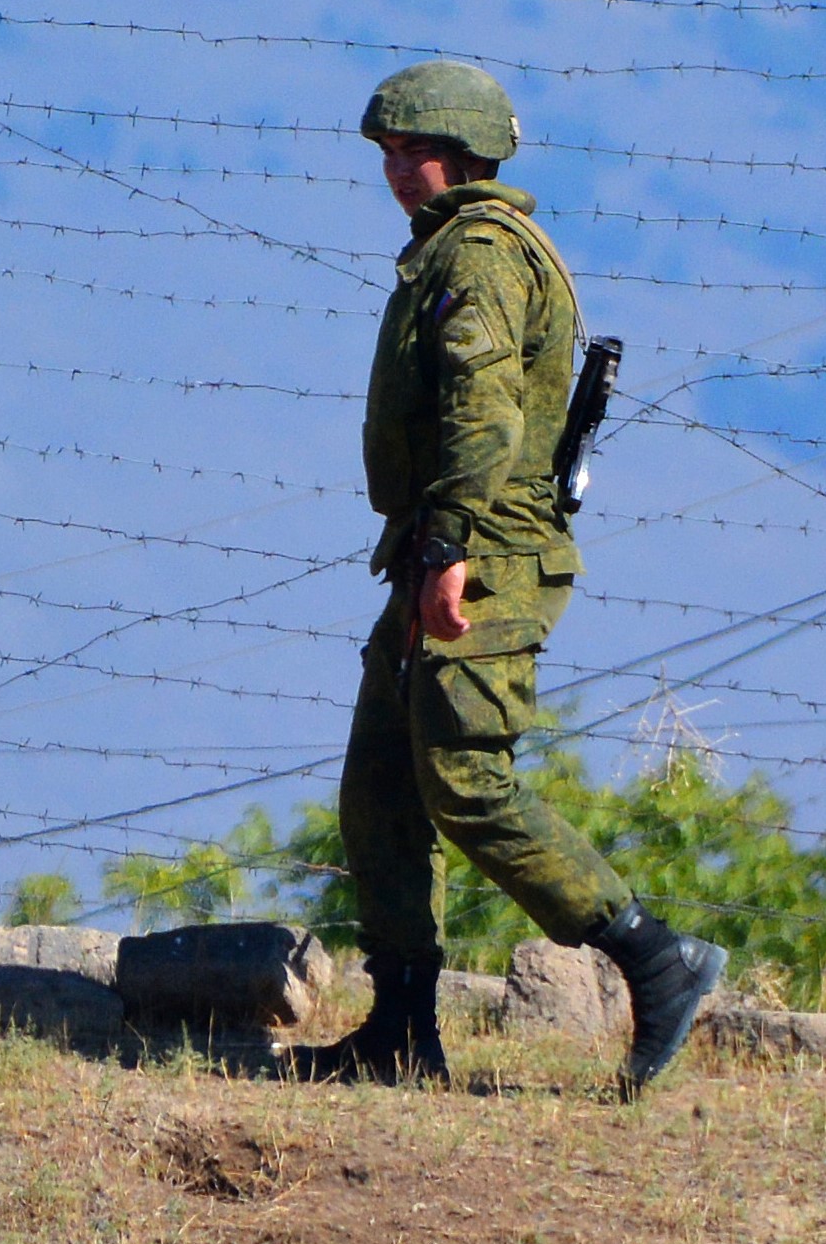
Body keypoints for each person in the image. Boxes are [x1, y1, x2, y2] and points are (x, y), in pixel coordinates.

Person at [298, 59, 726, 1095]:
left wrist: (451, 555)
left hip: (481, 557)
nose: (398, 168)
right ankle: (401, 1033)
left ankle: (654, 961)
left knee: (468, 783)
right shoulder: (453, 246)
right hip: (438, 550)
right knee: (382, 793)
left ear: (466, 153)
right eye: (390, 152)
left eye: (416, 150)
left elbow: (480, 420)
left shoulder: (482, 257)